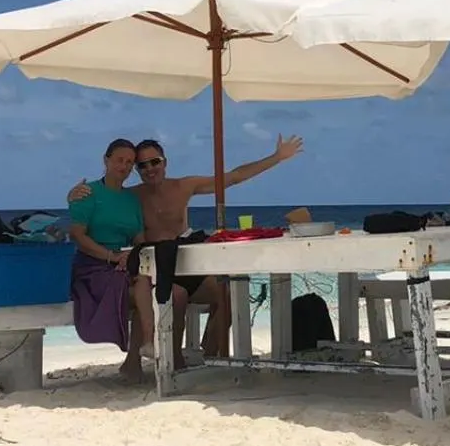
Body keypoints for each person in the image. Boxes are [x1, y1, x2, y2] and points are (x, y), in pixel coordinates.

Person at [68, 133, 304, 359]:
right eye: (142, 165)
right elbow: (105, 201)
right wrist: (72, 195)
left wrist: (276, 157)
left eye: (154, 162)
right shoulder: (131, 196)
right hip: (158, 268)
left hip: (187, 264)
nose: (150, 169)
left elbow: (232, 177)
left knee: (227, 293)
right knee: (174, 296)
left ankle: (211, 355)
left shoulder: (184, 186)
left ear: (165, 162)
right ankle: (171, 358)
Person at [66, 138, 156, 382]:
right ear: (106, 160)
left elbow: (140, 239)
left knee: (147, 285)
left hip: (125, 264)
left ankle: (141, 352)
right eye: (119, 160)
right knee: (140, 289)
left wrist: (132, 256)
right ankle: (143, 349)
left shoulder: (131, 200)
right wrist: (111, 256)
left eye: (129, 162)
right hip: (92, 266)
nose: (124, 166)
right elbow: (77, 235)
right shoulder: (87, 193)